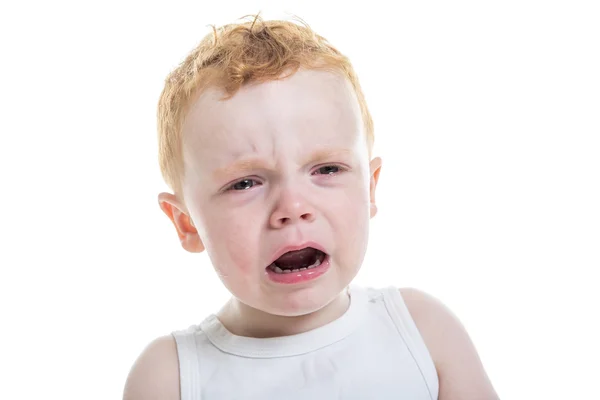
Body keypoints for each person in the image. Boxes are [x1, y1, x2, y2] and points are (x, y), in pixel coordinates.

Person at [123, 14, 499, 400]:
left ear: (369, 188)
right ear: (186, 223)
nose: (292, 207)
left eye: (327, 168)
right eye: (245, 183)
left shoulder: (423, 331)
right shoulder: (171, 378)